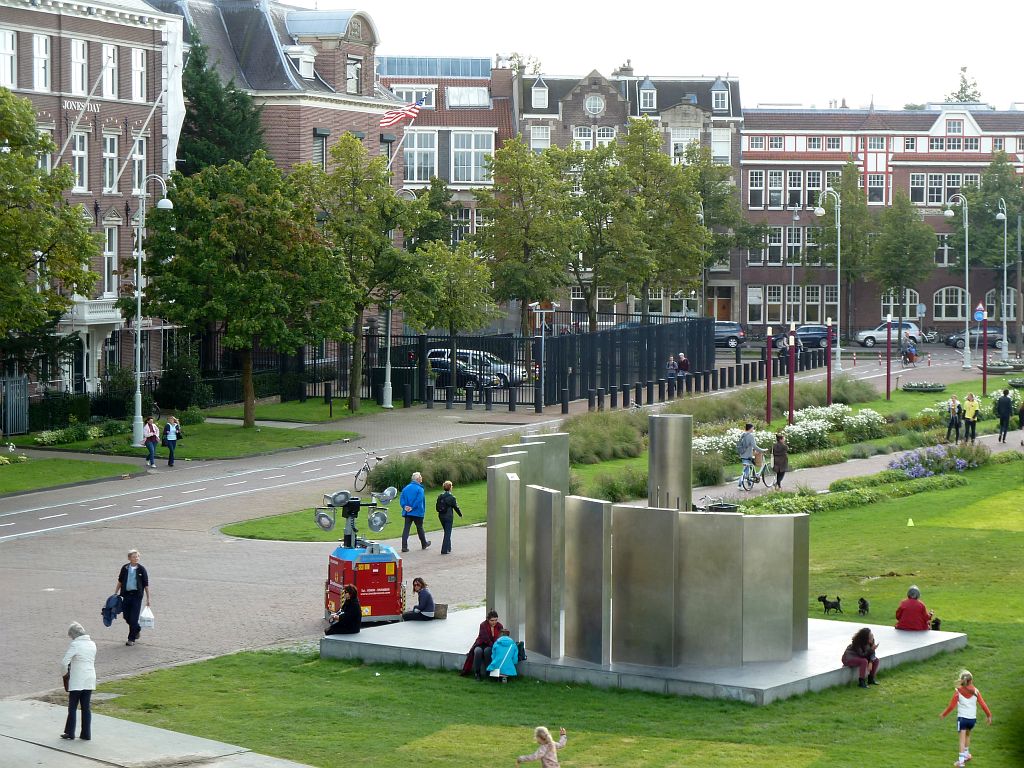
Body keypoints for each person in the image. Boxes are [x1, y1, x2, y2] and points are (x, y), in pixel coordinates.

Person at [940, 669, 993, 767]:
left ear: (961, 680)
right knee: (968, 735)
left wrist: (944, 714)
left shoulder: (958, 692)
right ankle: (966, 754)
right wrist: (989, 715)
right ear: (971, 681)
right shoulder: (976, 691)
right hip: (972, 720)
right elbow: (983, 704)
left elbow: (951, 706)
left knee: (961, 739)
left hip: (962, 719)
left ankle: (961, 761)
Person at [60, 622, 96, 741]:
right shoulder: (92, 644)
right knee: (86, 707)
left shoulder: (75, 645)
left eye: (71, 635)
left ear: (74, 634)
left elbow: (64, 662)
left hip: (77, 679)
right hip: (90, 678)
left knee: (72, 707)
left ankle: (70, 732)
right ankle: (86, 734)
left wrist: (65, 675)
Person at [114, 549, 150, 646]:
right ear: (129, 558)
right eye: (134, 557)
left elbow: (146, 584)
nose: (136, 558)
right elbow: (120, 581)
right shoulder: (125, 568)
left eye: (137, 556)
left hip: (137, 596)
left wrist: (148, 598)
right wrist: (115, 592)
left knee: (133, 618)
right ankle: (137, 628)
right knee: (126, 617)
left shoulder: (142, 569)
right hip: (125, 595)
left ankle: (131, 638)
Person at [461, 610, 503, 680]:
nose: (494, 622)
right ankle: (477, 673)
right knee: (478, 651)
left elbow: (500, 638)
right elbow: (485, 638)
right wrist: (493, 646)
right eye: (492, 620)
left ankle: (488, 672)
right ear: (488, 619)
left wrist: (495, 647)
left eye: (496, 620)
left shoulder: (499, 626)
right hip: (481, 643)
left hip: (491, 645)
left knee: (487, 651)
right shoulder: (483, 625)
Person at [399, 471, 431, 553]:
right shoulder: (420, 489)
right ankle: (424, 543)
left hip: (408, 512)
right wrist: (412, 507)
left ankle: (404, 546)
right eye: (420, 477)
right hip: (417, 512)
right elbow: (419, 500)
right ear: (417, 479)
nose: (421, 478)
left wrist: (405, 506)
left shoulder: (406, 488)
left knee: (406, 529)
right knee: (420, 528)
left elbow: (401, 499)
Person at [435, 480, 463, 555]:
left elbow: (437, 507)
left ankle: (448, 547)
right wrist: (460, 514)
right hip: (448, 516)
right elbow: (456, 507)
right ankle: (444, 549)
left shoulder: (440, 496)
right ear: (450, 488)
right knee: (448, 533)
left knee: (446, 531)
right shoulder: (452, 497)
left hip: (441, 516)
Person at [736, 423, 763, 490]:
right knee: (745, 471)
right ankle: (740, 485)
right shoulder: (750, 436)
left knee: (748, 470)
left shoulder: (742, 435)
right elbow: (754, 446)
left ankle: (749, 483)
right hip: (748, 455)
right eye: (753, 428)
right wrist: (762, 450)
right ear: (750, 428)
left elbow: (745, 444)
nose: (753, 429)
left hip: (742, 454)